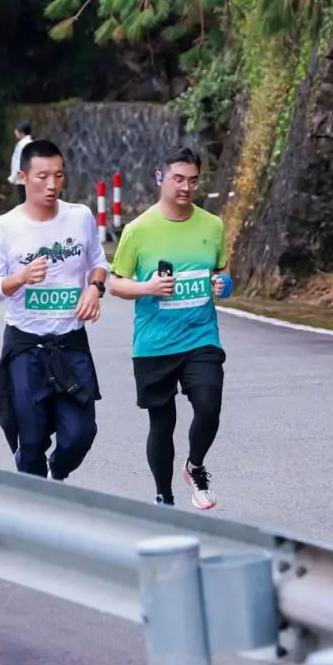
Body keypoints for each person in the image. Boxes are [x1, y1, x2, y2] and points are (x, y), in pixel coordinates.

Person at [108, 145, 233, 510]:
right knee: (162, 422)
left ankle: (195, 466)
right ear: (160, 177)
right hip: (155, 342)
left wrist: (224, 284)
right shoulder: (138, 230)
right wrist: (148, 288)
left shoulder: (212, 225)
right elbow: (116, 283)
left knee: (209, 406)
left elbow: (223, 272)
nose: (185, 187)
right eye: (178, 179)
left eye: (193, 180)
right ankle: (164, 496)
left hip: (201, 336)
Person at [0, 139, 108, 481]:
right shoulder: (4, 227)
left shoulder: (80, 217)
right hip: (26, 345)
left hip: (70, 342)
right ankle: (34, 496)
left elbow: (99, 262)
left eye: (59, 175)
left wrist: (94, 289)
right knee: (32, 439)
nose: (52, 184)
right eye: (42, 176)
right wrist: (19, 278)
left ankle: (57, 473)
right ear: (23, 177)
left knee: (81, 433)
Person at [7, 121, 33, 206]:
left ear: (21, 132)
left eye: (16, 130)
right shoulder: (29, 142)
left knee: (24, 201)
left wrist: (14, 176)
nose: (15, 132)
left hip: (23, 177)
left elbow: (18, 161)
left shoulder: (22, 145)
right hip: (28, 176)